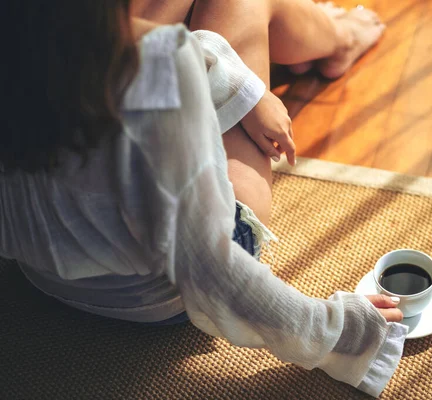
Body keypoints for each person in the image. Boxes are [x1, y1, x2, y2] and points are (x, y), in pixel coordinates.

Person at [1, 0, 405, 397]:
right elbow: (212, 270)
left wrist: (235, 81)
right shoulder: (159, 67)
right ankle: (339, 36)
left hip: (45, 276)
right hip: (164, 296)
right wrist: (339, 334)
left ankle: (322, 34)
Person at [133, 0, 386, 227]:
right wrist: (238, 87)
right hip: (211, 234)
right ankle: (332, 36)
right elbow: (112, 43)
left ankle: (310, 29)